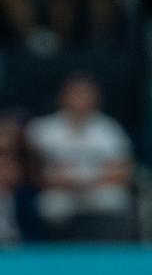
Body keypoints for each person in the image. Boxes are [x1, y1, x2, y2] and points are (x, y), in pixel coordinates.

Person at [26, 73, 134, 241]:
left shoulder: (109, 130)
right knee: (50, 205)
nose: (80, 100)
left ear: (96, 99)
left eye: (85, 95)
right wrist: (58, 181)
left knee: (114, 200)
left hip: (97, 188)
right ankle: (53, 251)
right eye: (75, 95)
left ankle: (109, 251)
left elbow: (122, 172)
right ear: (62, 97)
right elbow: (33, 170)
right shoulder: (43, 129)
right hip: (59, 190)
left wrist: (88, 184)